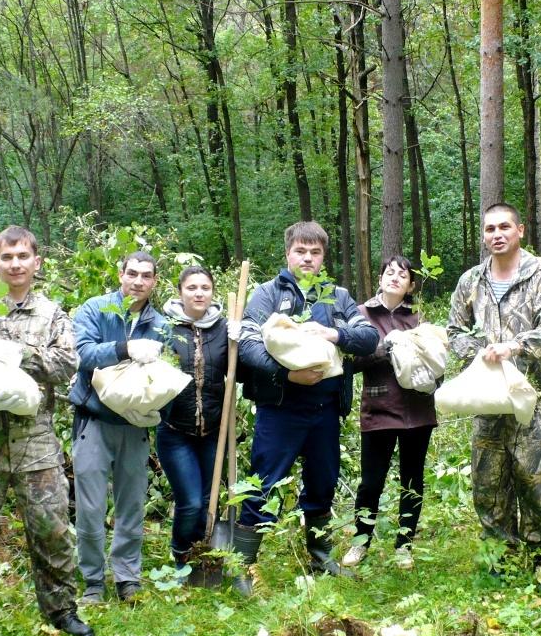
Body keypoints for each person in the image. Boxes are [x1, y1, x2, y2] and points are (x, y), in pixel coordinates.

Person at [0, 226, 93, 636]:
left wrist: (12, 351)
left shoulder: (52, 313)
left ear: (36, 262)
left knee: (51, 531)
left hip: (35, 444)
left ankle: (62, 611)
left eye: (23, 256)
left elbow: (66, 363)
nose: (15, 264)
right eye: (7, 257)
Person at [233, 221, 378, 594]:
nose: (308, 258)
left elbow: (368, 338)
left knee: (323, 481)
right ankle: (244, 566)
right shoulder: (266, 295)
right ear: (288, 253)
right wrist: (286, 375)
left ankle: (319, 553)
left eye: (315, 253)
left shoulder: (338, 297)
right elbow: (248, 347)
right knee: (264, 483)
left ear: (323, 257)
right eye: (301, 251)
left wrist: (335, 333)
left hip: (326, 409)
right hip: (280, 408)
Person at [447, 202, 541, 590]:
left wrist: (513, 347)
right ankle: (500, 555)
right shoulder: (472, 281)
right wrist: (476, 351)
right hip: (486, 396)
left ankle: (540, 557)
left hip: (532, 395)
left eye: (504, 227)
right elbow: (455, 330)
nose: (496, 235)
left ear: (520, 231)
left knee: (536, 478)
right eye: (489, 229)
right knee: (488, 479)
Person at [69, 251, 166, 604]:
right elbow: (83, 354)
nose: (138, 281)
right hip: (93, 421)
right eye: (133, 274)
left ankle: (127, 577)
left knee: (131, 504)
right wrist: (126, 348)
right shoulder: (95, 309)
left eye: (146, 276)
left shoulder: (160, 322)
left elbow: (165, 369)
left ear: (154, 281)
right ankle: (93, 580)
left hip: (134, 424)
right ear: (120, 273)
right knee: (91, 506)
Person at [342, 255, 437, 571]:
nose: (395, 277)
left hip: (417, 411)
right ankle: (360, 543)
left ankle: (404, 545)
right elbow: (350, 362)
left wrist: (432, 375)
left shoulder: (419, 319)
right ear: (380, 278)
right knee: (371, 482)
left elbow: (435, 361)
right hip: (379, 409)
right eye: (389, 272)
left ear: (411, 285)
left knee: (413, 480)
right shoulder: (361, 315)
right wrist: (385, 349)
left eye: (403, 274)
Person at [157, 265, 237, 569]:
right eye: (192, 287)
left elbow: (238, 374)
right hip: (175, 430)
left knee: (207, 502)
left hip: (213, 430)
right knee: (189, 502)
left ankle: (201, 555)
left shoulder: (223, 328)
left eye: (205, 287)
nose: (199, 293)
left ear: (212, 292)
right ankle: (179, 554)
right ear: (180, 292)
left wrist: (238, 345)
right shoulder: (164, 328)